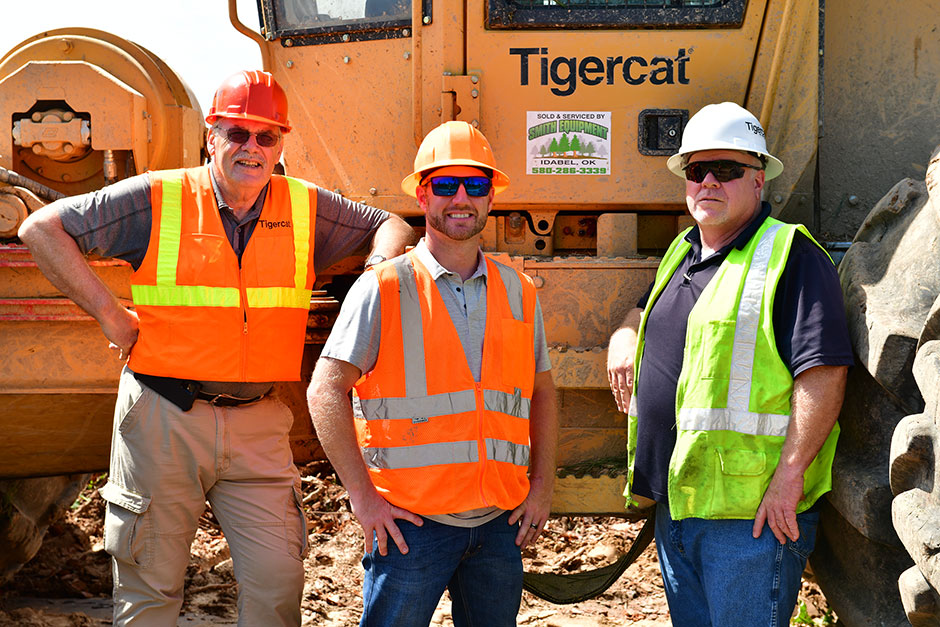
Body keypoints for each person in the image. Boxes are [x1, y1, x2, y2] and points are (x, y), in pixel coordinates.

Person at [18, 70, 414, 627]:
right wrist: (109, 313)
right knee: (151, 589)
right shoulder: (160, 196)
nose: (251, 148)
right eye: (237, 133)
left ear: (281, 143)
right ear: (212, 135)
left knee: (279, 584)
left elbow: (389, 223)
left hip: (257, 424)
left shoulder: (304, 206)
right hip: (163, 419)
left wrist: (375, 274)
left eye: (266, 136)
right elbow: (40, 229)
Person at [606, 102, 853, 626]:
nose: (709, 182)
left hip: (752, 519)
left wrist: (789, 479)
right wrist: (625, 334)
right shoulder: (685, 250)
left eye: (729, 170)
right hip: (681, 506)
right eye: (697, 171)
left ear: (759, 181)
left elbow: (824, 372)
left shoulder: (791, 256)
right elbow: (646, 305)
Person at [307, 120, 558, 626]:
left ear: (491, 198)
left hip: (497, 525)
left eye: (476, 185)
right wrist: (362, 498)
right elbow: (325, 390)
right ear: (423, 195)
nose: (461, 198)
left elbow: (543, 392)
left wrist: (543, 488)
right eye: (445, 185)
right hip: (410, 528)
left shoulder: (519, 290)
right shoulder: (384, 287)